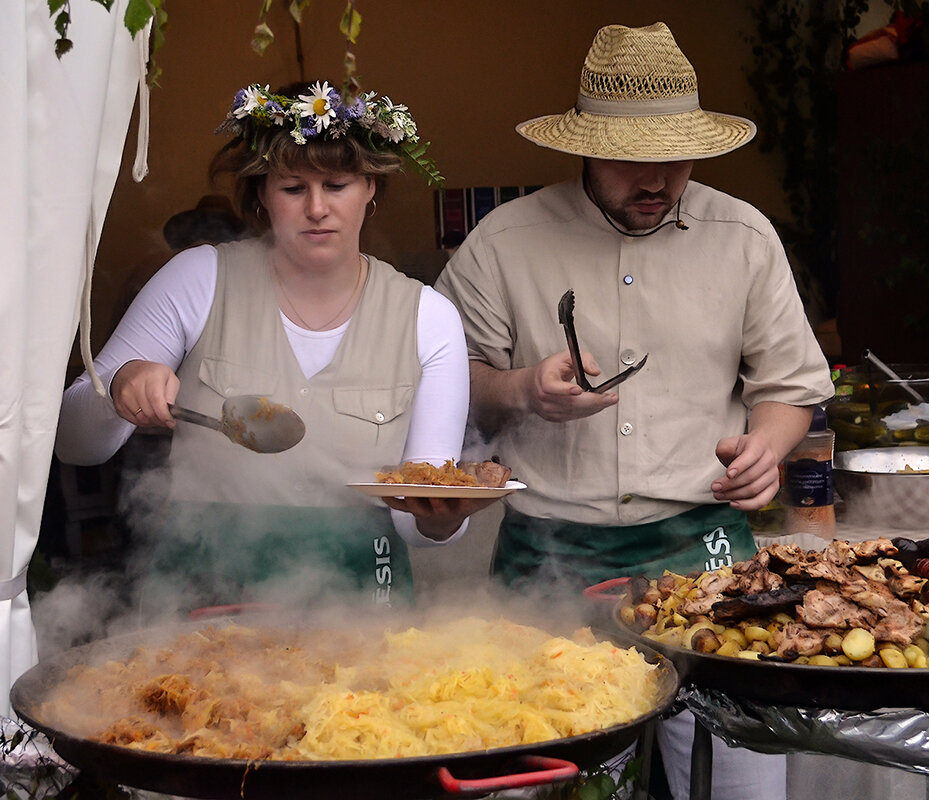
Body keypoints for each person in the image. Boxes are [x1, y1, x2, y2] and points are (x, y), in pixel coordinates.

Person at [434, 23, 835, 800]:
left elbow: (790, 387)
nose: (655, 180)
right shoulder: (503, 241)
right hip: (548, 549)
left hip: (703, 547)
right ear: (580, 147)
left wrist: (766, 445)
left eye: (675, 158)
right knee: (539, 779)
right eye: (630, 161)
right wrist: (521, 390)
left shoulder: (742, 237)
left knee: (738, 779)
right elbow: (450, 383)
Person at [56, 79, 495, 611]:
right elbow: (74, 444)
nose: (316, 208)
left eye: (336, 185)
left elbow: (416, 517)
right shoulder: (198, 279)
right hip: (204, 594)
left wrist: (441, 522)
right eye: (293, 188)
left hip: (358, 605)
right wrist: (119, 386)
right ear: (262, 194)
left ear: (370, 189)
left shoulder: (428, 318)